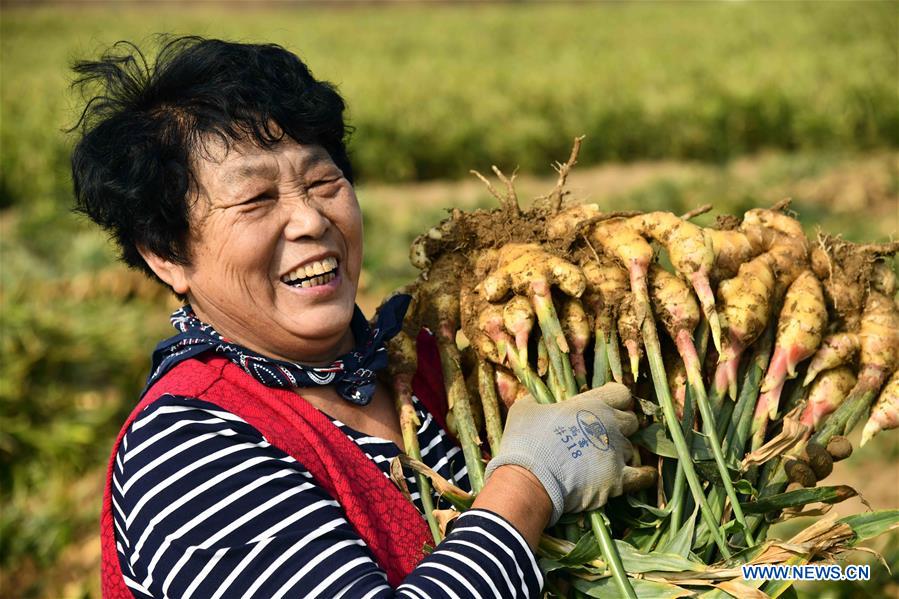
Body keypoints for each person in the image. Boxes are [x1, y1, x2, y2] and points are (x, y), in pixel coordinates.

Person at [71, 36, 653, 598]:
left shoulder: (436, 358)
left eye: (324, 182)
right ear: (168, 255)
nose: (309, 220)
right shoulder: (183, 452)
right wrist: (530, 483)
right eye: (256, 200)